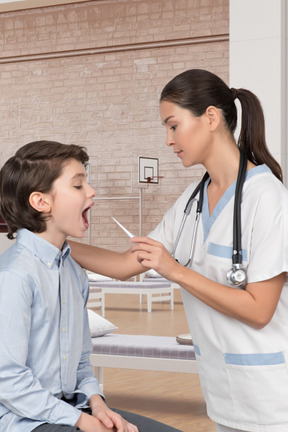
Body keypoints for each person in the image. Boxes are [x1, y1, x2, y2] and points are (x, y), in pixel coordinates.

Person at [69, 69, 288, 432]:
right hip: (222, 391)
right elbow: (127, 264)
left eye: (173, 126)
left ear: (212, 118)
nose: (169, 140)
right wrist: (49, 238)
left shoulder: (268, 198)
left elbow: (259, 310)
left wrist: (175, 271)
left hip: (271, 396)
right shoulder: (191, 200)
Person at [0, 140, 183, 432]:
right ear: (41, 202)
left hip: (74, 406)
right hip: (26, 420)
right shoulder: (14, 277)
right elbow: (8, 380)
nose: (91, 191)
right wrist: (81, 420)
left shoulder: (73, 272)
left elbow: (82, 360)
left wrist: (98, 404)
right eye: (78, 185)